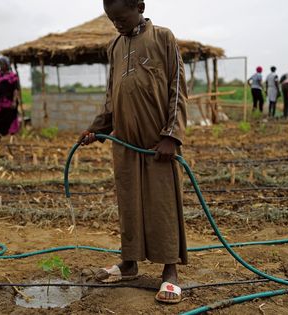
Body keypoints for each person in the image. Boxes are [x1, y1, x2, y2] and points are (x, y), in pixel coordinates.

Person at [79, 0, 188, 304]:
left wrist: (171, 136)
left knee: (162, 202)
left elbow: (177, 89)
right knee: (129, 202)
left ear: (140, 6)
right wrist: (98, 128)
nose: (117, 24)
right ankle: (129, 263)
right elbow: (112, 94)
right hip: (124, 141)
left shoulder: (163, 37)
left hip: (158, 143)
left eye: (121, 18)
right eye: (112, 19)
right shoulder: (115, 45)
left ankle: (169, 271)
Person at [0, 57, 21, 142]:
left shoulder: (12, 76)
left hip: (9, 101)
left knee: (10, 118)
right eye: (0, 64)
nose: (0, 66)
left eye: (2, 64)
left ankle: (12, 138)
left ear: (7, 65)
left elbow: (16, 89)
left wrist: (14, 101)